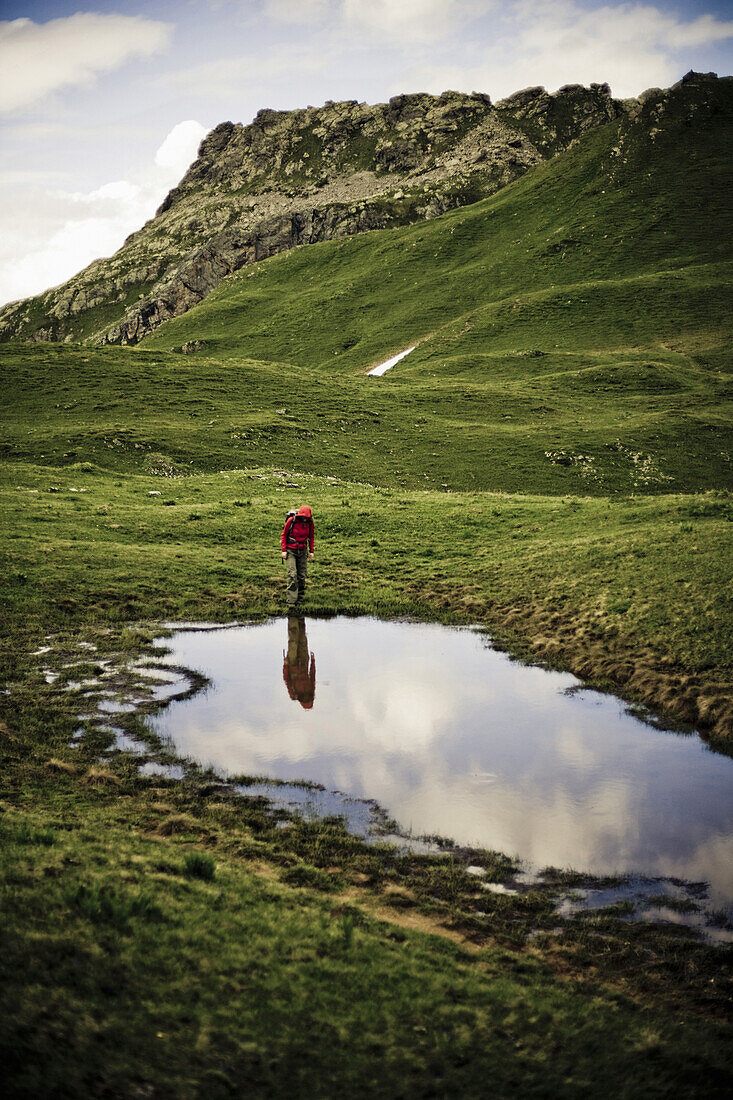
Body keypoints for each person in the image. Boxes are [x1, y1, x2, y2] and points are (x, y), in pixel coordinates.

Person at [281, 505, 315, 607]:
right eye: (303, 517)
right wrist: (284, 550)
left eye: (307, 517)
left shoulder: (310, 523)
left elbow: (311, 536)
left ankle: (300, 599)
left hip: (303, 551)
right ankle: (291, 602)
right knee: (292, 574)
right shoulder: (292, 521)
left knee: (301, 575)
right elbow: (284, 535)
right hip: (291, 550)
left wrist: (311, 551)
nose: (304, 519)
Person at [283, 616, 316, 709]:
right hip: (304, 662)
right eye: (309, 699)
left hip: (292, 664)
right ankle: (300, 617)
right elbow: (312, 676)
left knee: (293, 642)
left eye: (307, 699)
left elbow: (286, 679)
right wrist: (313, 661)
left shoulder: (294, 694)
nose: (307, 697)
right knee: (302, 640)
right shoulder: (311, 691)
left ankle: (293, 617)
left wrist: (285, 665)